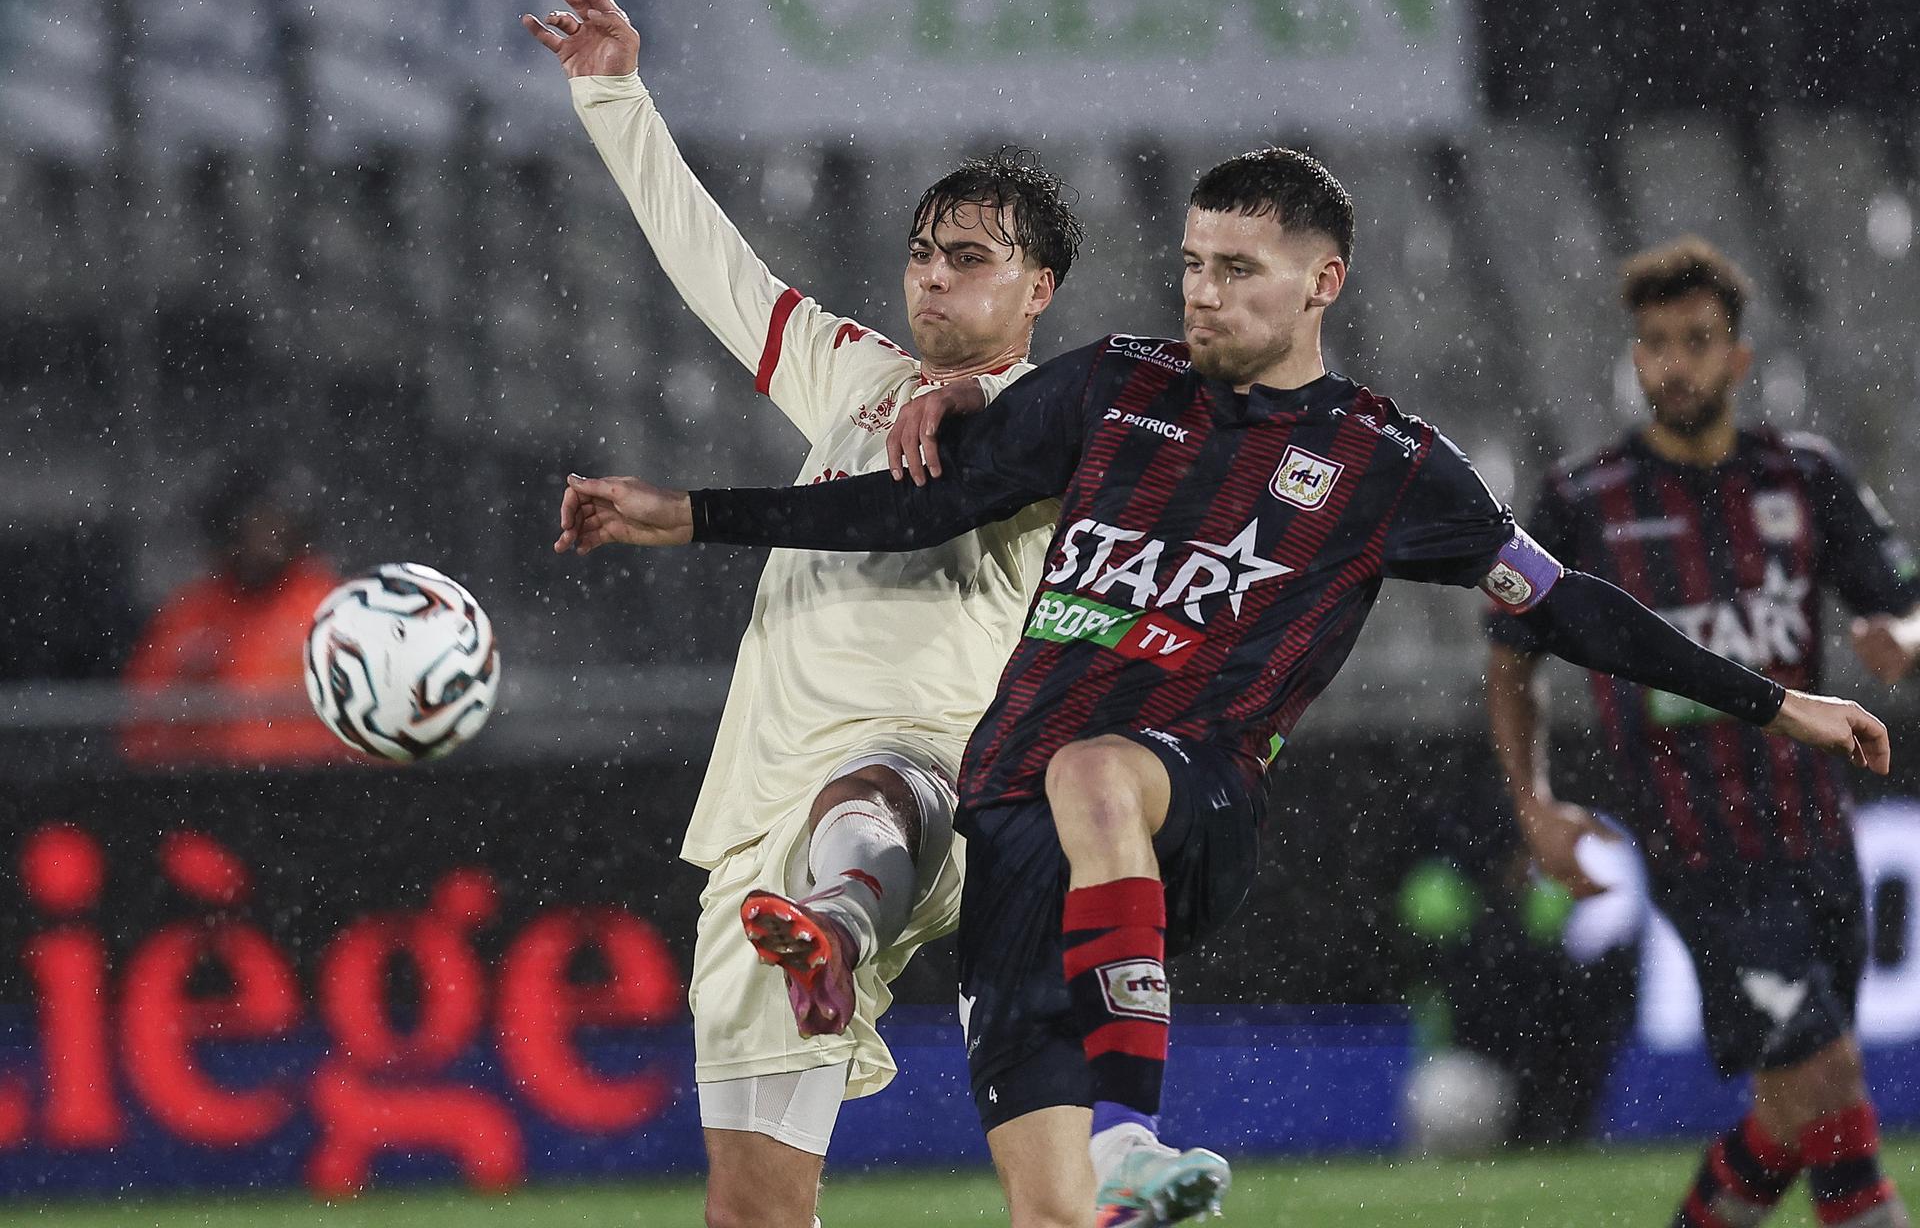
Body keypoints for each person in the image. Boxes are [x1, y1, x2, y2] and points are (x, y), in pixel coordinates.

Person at [555, 152, 1892, 1228]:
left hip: (1183, 789)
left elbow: (1566, 607)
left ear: (1325, 282)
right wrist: (694, 512)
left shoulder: (1385, 461)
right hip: (1015, 837)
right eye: (1193, 264)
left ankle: (1133, 1129)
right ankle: (1098, 1168)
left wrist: (1776, 704)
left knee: (1091, 770)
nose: (1204, 293)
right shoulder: (1112, 390)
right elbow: (907, 513)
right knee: (1048, 1209)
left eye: (1238, 271)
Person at [525, 0, 1083, 1228]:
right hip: (756, 823)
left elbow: (954, 472)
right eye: (924, 253)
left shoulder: (1052, 425)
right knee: (755, 1208)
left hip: (925, 776)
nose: (934, 279)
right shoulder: (854, 379)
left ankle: (838, 913)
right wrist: (613, 94)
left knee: (871, 790)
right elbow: (709, 263)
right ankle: (814, 922)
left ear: (1037, 289)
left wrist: (695, 510)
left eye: (972, 259)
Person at [1485, 237, 1919, 1228]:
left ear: (1739, 358)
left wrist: (1899, 634)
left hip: (1819, 835)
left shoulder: (1803, 476)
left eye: (1696, 341)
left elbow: (1903, 604)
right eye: (1654, 344)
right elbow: (1512, 660)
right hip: (1701, 853)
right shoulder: (1583, 500)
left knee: (1791, 1107)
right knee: (1832, 1073)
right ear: (1634, 358)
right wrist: (1533, 803)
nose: (1672, 363)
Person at [122, 467, 345, 768]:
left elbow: (373, 724)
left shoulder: (332, 610)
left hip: (316, 786)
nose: (263, 542)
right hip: (208, 788)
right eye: (251, 527)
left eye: (273, 526)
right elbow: (141, 725)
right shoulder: (189, 615)